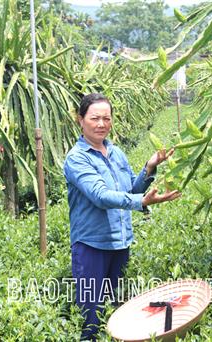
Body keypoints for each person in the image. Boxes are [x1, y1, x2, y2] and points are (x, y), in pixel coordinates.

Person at [63, 93, 180, 340]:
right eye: (95, 118)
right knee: (91, 317)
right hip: (91, 246)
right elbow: (101, 196)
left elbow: (129, 192)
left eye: (107, 118)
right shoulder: (76, 158)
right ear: (80, 120)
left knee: (118, 313)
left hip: (120, 243)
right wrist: (141, 202)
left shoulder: (116, 153)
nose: (101, 124)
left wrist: (149, 168)